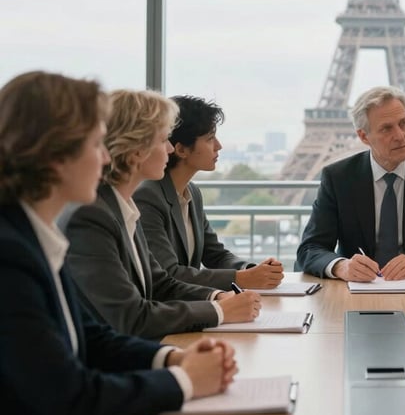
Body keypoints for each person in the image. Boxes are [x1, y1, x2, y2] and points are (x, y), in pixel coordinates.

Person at [0, 72, 237, 415]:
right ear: (54, 157)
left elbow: (91, 336)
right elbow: (72, 398)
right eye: (95, 144)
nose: (105, 156)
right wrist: (186, 381)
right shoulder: (10, 255)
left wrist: (174, 359)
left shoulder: (30, 237)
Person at [63, 90, 260, 339]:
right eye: (163, 139)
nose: (169, 149)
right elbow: (131, 317)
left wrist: (217, 296)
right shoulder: (92, 217)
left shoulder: (120, 207)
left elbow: (160, 284)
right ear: (136, 150)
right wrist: (218, 310)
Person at [296, 85, 405, 280]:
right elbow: (310, 248)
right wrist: (341, 266)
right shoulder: (338, 177)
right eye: (387, 128)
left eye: (403, 123)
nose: (400, 135)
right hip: (354, 291)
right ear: (364, 136)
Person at [135, 95, 284, 290]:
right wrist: (242, 279)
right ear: (181, 150)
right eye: (210, 138)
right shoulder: (147, 197)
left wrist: (252, 270)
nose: (218, 146)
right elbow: (168, 273)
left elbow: (215, 254)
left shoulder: (192, 192)